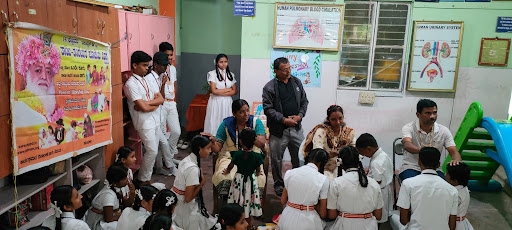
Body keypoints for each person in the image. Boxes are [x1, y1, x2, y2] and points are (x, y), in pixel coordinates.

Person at [263, 57, 308, 196]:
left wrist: (300, 115)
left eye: (289, 68)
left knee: (300, 157)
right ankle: (279, 185)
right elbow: (268, 109)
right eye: (284, 69)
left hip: (296, 128)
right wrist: (283, 120)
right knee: (276, 159)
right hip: (278, 131)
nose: (288, 71)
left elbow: (304, 102)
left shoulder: (296, 82)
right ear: (276, 71)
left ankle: (297, 182)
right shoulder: (269, 87)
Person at [207, 99, 267, 196]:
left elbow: (262, 144)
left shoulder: (256, 122)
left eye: (247, 110)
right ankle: (229, 205)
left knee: (258, 178)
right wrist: (213, 142)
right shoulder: (226, 124)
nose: (246, 114)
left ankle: (249, 205)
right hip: (229, 157)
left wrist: (249, 135)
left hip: (252, 156)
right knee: (225, 176)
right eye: (241, 112)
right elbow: (217, 148)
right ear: (234, 114)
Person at [123, 51, 164, 185]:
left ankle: (146, 176)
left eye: (148, 65)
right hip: (143, 122)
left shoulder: (147, 79)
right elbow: (144, 108)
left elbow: (161, 99)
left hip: (155, 119)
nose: (147, 68)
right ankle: (143, 179)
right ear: (134, 65)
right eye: (144, 65)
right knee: (151, 150)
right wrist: (151, 105)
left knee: (153, 149)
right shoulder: (130, 84)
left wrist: (146, 104)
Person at [396, 147, 458, 230]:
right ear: (438, 164)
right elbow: (452, 226)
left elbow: (403, 220)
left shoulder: (408, 184)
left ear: (419, 162)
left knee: (393, 216)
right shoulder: (452, 190)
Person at [400, 99, 461, 181]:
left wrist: (456, 161)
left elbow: (454, 152)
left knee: (445, 186)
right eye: (428, 113)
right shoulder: (409, 127)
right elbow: (407, 145)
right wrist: (425, 151)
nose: (432, 116)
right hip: (412, 167)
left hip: (434, 169)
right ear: (418, 114)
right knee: (412, 185)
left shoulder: (443, 130)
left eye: (434, 113)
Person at [327, 146, 383, 230]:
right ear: (359, 161)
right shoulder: (374, 183)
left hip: (344, 225)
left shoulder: (336, 183)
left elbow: (331, 215)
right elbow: (378, 216)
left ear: (340, 162)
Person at [14, 33, 63, 127]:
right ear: (26, 76)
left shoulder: (55, 114)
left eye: (48, 72)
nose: (44, 77)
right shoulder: (20, 107)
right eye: (38, 70)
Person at [172, 135, 218, 229]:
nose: (210, 151)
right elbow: (188, 198)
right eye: (208, 148)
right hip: (183, 209)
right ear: (199, 149)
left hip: (176, 202)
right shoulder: (192, 169)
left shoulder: (185, 160)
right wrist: (201, 184)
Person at [278, 148, 329, 230]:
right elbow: (323, 214)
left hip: (288, 217)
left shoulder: (290, 173)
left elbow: (283, 200)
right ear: (321, 163)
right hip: (309, 221)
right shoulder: (323, 179)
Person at [146, 52, 178, 176]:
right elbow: (158, 100)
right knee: (162, 143)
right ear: (155, 65)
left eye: (166, 65)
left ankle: (160, 167)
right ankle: (170, 166)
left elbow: (161, 98)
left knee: (160, 143)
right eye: (163, 65)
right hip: (152, 116)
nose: (165, 68)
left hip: (157, 114)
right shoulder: (150, 79)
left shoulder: (159, 77)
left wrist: (164, 83)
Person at [222, 129, 264, 224]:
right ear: (254, 141)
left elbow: (231, 166)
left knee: (237, 200)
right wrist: (258, 173)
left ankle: (237, 223)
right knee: (248, 204)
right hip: (250, 181)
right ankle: (248, 225)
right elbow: (258, 170)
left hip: (238, 180)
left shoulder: (237, 154)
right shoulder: (257, 156)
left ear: (240, 141)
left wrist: (227, 171)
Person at [302, 105, 355, 180]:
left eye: (340, 118)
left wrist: (345, 156)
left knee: (347, 182)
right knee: (327, 183)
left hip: (341, 166)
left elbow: (355, 151)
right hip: (324, 167)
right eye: (333, 119)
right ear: (328, 119)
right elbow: (317, 154)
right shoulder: (321, 131)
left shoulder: (348, 133)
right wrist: (328, 155)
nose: (338, 122)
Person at [356, 133, 393, 224]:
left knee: (376, 219)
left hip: (378, 193)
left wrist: (365, 178)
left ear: (368, 149)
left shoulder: (376, 163)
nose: (363, 155)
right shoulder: (383, 155)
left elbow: (377, 181)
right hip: (385, 189)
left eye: (362, 152)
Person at [158, 42, 182, 170]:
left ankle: (170, 156)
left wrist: (174, 100)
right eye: (167, 55)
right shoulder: (157, 69)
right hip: (161, 104)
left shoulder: (173, 68)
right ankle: (166, 161)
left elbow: (174, 84)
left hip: (171, 102)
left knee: (176, 131)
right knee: (161, 134)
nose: (170, 57)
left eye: (171, 55)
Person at [84, 165, 128, 230]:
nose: (127, 179)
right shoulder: (109, 195)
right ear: (115, 183)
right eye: (124, 179)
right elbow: (108, 219)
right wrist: (121, 216)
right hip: (97, 223)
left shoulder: (116, 188)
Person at [204, 54, 237, 135]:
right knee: (215, 120)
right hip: (216, 101)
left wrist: (220, 92)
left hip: (227, 102)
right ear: (217, 63)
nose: (223, 64)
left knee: (226, 120)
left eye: (225, 62)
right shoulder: (212, 74)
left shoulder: (231, 75)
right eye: (221, 62)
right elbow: (214, 90)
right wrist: (228, 90)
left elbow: (235, 91)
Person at [446, 163, 474, 230]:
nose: (445, 175)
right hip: (463, 221)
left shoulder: (455, 194)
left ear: (455, 180)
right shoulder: (464, 188)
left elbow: (451, 214)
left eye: (447, 174)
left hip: (455, 224)